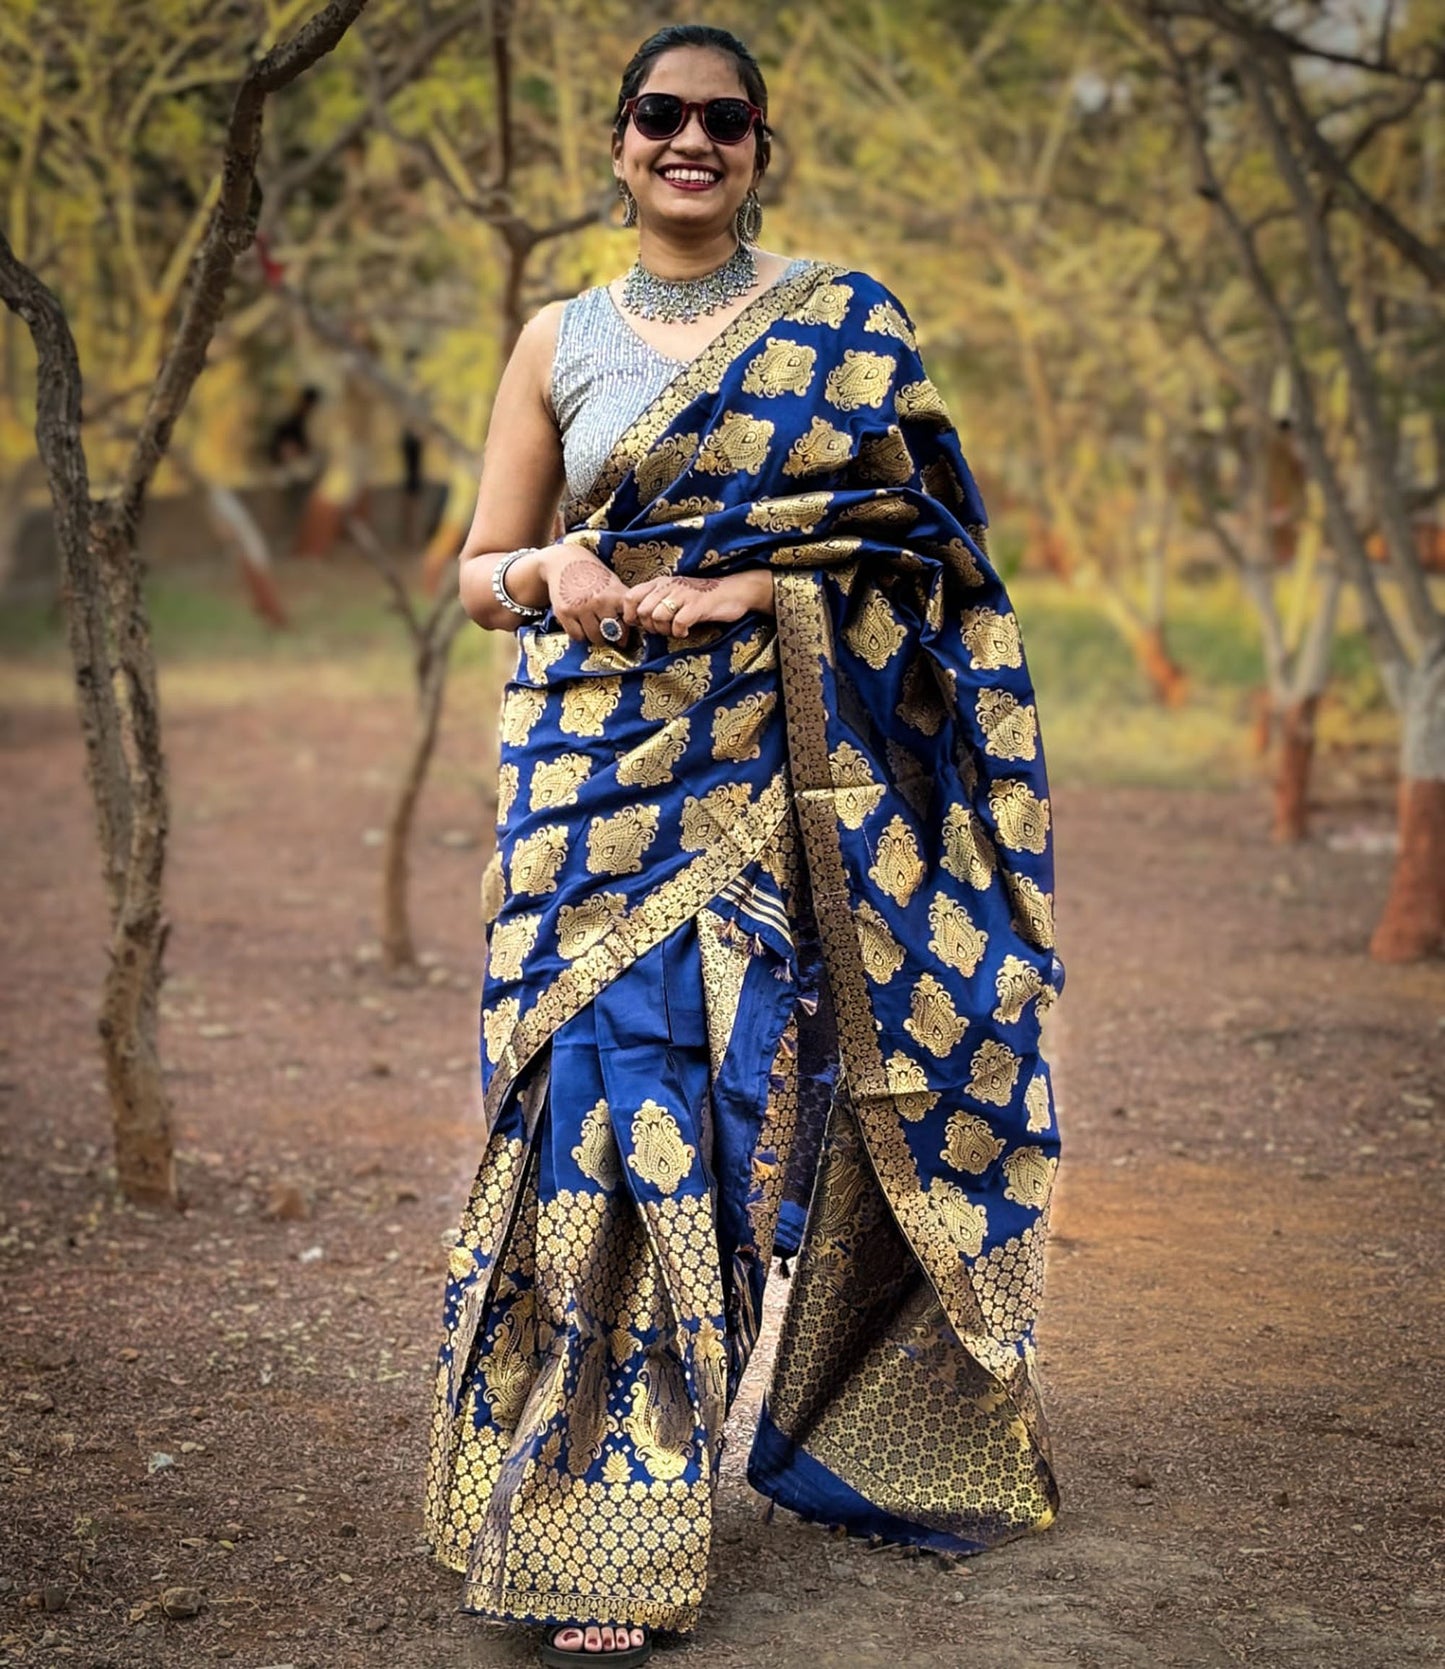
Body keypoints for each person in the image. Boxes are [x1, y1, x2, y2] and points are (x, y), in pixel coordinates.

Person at [425, 24, 1064, 1668]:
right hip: (584, 794)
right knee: (591, 1118)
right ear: (617, 142)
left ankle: (645, 1497)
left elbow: (931, 563)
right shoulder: (555, 335)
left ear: (757, 149)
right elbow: (473, 562)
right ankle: (581, 1512)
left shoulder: (844, 328)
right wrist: (548, 575)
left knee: (700, 1125)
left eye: (722, 121)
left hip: (764, 791)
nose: (688, 140)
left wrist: (760, 590)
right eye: (661, 116)